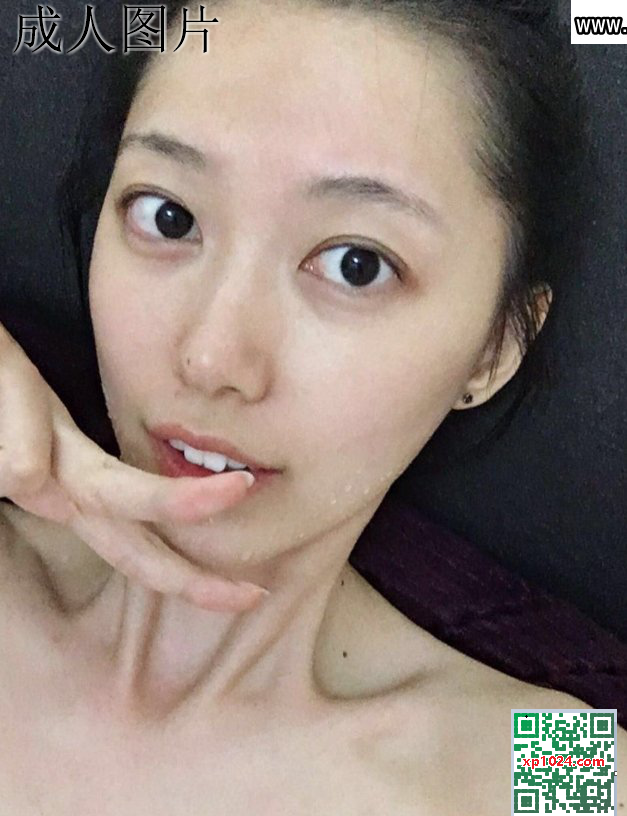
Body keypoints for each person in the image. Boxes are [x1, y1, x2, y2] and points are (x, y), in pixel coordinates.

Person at [0, 1, 624, 812]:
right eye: (168, 217)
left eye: (356, 264)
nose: (212, 359)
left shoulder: (532, 760)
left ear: (495, 347)